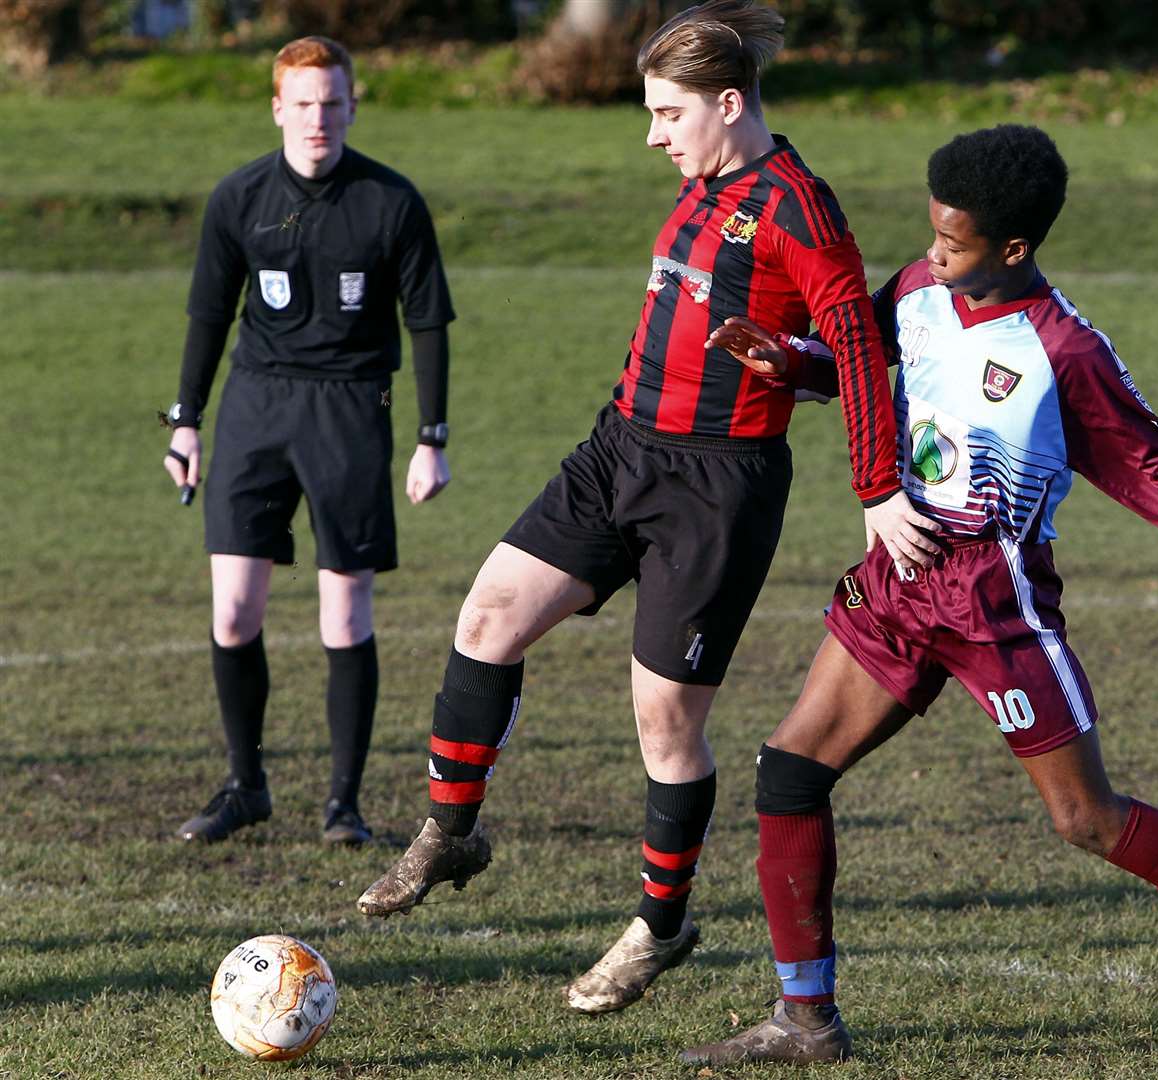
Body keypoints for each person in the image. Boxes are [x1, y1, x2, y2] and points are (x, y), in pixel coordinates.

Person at [678, 124, 1158, 1071]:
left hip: (995, 603)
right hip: (899, 577)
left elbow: (1154, 465)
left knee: (1085, 821)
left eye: (952, 243)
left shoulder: (1063, 350)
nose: (930, 254)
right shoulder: (920, 288)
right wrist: (790, 363)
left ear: (1013, 247)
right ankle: (806, 1020)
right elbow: (869, 369)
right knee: (789, 774)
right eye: (930, 234)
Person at [354, 0, 940, 1020]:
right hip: (619, 448)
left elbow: (856, 349)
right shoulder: (700, 188)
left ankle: (659, 925)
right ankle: (452, 833)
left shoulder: (801, 208)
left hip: (719, 488)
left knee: (665, 722)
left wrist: (878, 489)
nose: (653, 135)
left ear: (728, 102)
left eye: (668, 114)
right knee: (488, 617)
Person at [162, 35, 456, 847]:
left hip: (351, 409)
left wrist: (430, 437)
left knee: (344, 612)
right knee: (232, 611)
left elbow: (426, 322)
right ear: (278, 108)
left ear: (353, 105)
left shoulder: (391, 202)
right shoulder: (239, 197)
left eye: (333, 103)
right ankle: (245, 785)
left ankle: (343, 806)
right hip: (255, 407)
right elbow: (208, 315)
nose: (318, 118)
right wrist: (183, 420)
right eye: (303, 103)